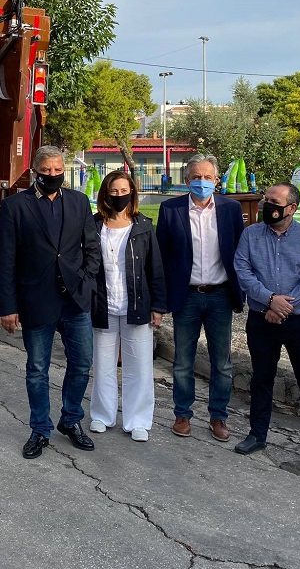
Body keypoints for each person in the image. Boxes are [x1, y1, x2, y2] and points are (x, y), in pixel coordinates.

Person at [0, 145, 101, 459]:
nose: (53, 175)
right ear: (34, 172)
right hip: (36, 299)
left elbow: (92, 248)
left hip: (75, 300)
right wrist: (8, 307)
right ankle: (40, 429)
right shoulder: (15, 206)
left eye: (58, 170)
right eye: (46, 171)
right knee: (37, 369)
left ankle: (71, 420)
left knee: (81, 363)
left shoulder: (79, 202)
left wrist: (86, 280)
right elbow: (5, 260)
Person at [233, 183, 300, 464]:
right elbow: (243, 270)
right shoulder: (250, 234)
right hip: (261, 319)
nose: (266, 206)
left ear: (291, 208)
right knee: (261, 378)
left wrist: (283, 307)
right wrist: (269, 301)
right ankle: (257, 434)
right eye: (265, 200)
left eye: (274, 202)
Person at [156, 154, 244, 442]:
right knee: (183, 361)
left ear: (217, 181)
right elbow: (162, 257)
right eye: (196, 177)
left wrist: (241, 292)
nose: (202, 182)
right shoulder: (170, 210)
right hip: (187, 296)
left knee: (222, 363)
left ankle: (219, 417)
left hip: (220, 295)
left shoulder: (231, 209)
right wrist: (161, 300)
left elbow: (239, 253)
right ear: (186, 181)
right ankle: (182, 414)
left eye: (207, 177)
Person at [90, 171, 166, 442]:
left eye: (124, 191)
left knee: (139, 366)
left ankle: (138, 421)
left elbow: (155, 268)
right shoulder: (94, 225)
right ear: (105, 193)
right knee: (103, 365)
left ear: (132, 193)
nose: (119, 195)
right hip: (103, 305)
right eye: (114, 191)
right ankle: (102, 415)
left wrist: (158, 306)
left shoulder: (143, 226)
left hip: (137, 305)